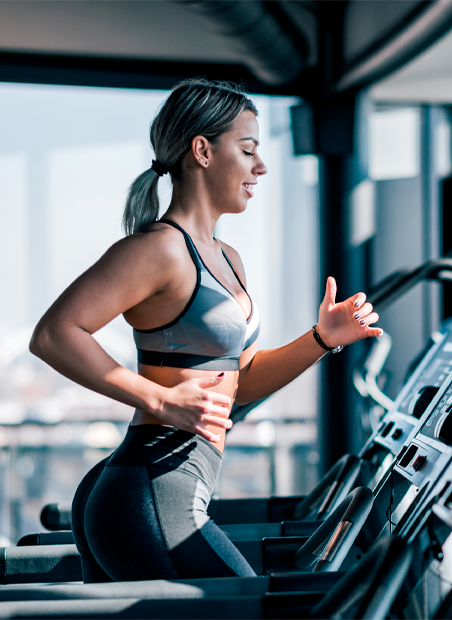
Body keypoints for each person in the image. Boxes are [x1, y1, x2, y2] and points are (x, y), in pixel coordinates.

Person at [29, 78, 382, 583]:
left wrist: (321, 339)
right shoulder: (158, 249)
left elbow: (244, 382)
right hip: (151, 490)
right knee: (248, 605)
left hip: (160, 488)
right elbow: (54, 334)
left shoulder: (228, 258)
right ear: (203, 150)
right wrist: (160, 399)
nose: (260, 166)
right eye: (248, 149)